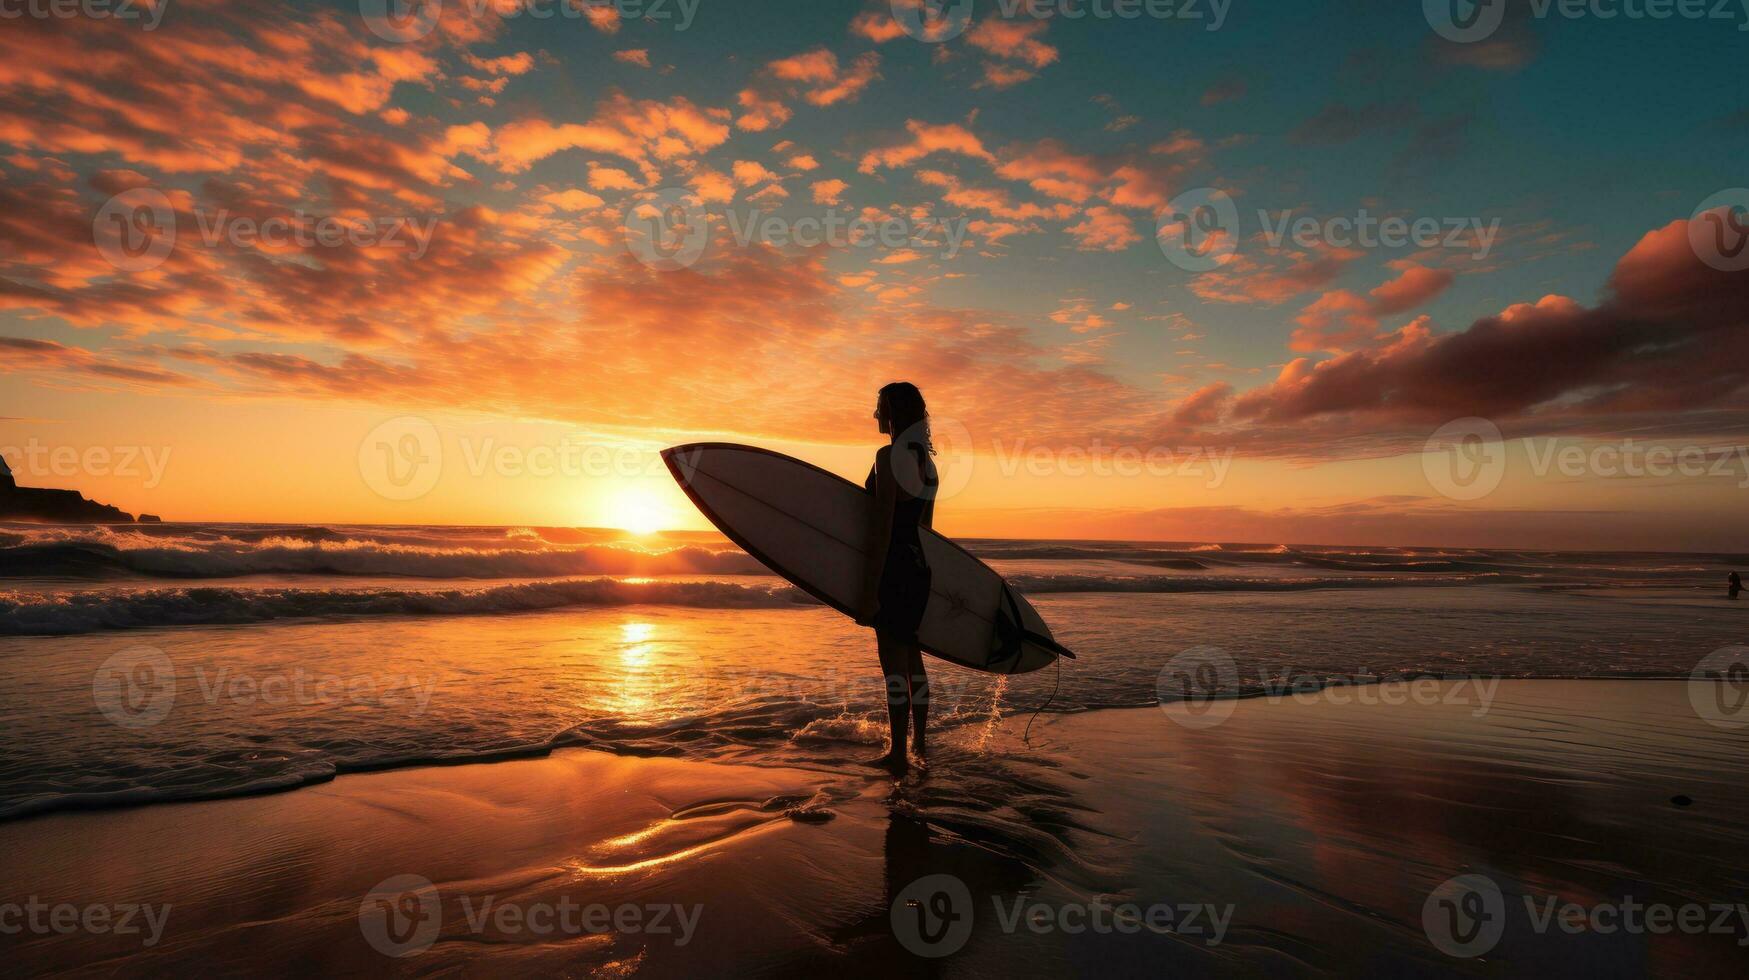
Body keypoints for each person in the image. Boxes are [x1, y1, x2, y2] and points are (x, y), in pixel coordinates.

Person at [855, 382, 939, 776]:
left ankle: (898, 754)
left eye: (878, 408)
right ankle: (919, 744)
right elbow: (928, 531)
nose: (875, 416)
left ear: (890, 413)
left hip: (893, 570)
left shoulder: (888, 457)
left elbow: (882, 528)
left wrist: (869, 591)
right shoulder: (928, 464)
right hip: (919, 568)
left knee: (893, 665)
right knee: (914, 660)